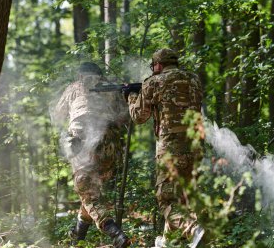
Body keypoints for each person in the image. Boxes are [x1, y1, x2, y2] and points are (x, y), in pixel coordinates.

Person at [127, 49, 204, 246]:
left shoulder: (153, 82)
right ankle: (169, 244)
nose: (153, 70)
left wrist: (131, 96)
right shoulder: (193, 79)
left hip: (171, 148)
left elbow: (138, 116)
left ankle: (194, 229)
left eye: (153, 67)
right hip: (195, 147)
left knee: (167, 201)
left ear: (159, 65)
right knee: (184, 199)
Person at [52, 62, 130, 247]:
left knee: (88, 193)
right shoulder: (110, 88)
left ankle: (115, 232)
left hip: (83, 142)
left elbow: (57, 116)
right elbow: (125, 117)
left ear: (80, 75)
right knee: (90, 192)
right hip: (110, 145)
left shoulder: (74, 87)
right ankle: (78, 237)